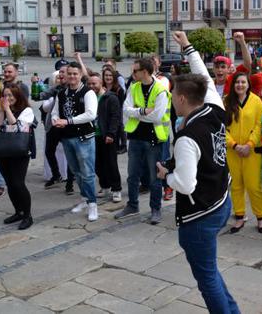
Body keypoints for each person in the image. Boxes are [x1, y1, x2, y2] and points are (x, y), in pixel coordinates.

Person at [155, 31, 237, 314]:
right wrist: (187, 47)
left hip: (200, 212)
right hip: (221, 199)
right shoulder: (214, 106)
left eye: (172, 96)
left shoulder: (188, 136)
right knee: (211, 271)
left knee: (206, 278)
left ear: (180, 99)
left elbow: (186, 184)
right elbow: (202, 74)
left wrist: (165, 175)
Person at [115, 57, 171, 225]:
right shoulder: (134, 86)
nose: (132, 74)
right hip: (136, 138)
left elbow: (158, 116)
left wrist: (137, 113)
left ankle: (156, 209)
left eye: (135, 71)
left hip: (154, 139)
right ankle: (132, 205)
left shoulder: (161, 89)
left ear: (145, 72)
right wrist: (143, 111)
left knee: (155, 178)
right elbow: (125, 109)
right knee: (132, 175)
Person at [51, 62, 99, 222]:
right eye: (69, 73)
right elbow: (55, 112)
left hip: (84, 138)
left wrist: (68, 121)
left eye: (74, 74)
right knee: (76, 171)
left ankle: (93, 204)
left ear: (80, 75)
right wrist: (55, 119)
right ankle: (85, 199)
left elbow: (91, 114)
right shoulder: (62, 93)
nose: (71, 76)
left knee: (88, 172)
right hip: (67, 138)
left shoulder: (87, 92)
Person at [224, 72, 262, 234]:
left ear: (248, 84)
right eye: (237, 82)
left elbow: (259, 125)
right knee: (236, 185)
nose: (240, 85)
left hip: (252, 151)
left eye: (243, 82)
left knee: (253, 185)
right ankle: (239, 216)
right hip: (233, 151)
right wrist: (234, 145)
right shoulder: (226, 101)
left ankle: (260, 218)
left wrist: (249, 144)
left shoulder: (256, 101)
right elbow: (222, 128)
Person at [0, 85, 35, 229]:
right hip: (3, 151)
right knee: (10, 184)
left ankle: (27, 215)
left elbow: (17, 127)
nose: (8, 98)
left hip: (19, 152)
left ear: (17, 96)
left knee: (18, 183)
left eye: (11, 95)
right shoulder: (4, 110)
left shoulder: (27, 111)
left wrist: (7, 110)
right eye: (5, 96)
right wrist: (2, 110)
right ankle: (18, 211)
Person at [87, 73, 122, 203]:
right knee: (97, 164)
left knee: (111, 163)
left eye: (94, 83)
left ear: (100, 83)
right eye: (89, 84)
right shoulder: (89, 97)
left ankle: (116, 189)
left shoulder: (110, 97)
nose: (91, 86)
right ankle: (105, 186)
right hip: (92, 136)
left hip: (106, 135)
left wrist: (111, 134)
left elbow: (115, 117)